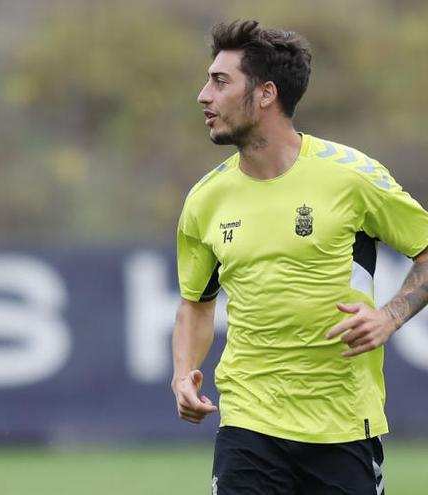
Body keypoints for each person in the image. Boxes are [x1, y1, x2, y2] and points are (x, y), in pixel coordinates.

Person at [172, 19, 428, 494]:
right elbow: (196, 302)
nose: (203, 95)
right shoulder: (204, 200)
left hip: (344, 424)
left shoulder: (351, 177)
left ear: (266, 94)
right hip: (249, 423)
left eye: (220, 81)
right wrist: (182, 373)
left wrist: (390, 317)